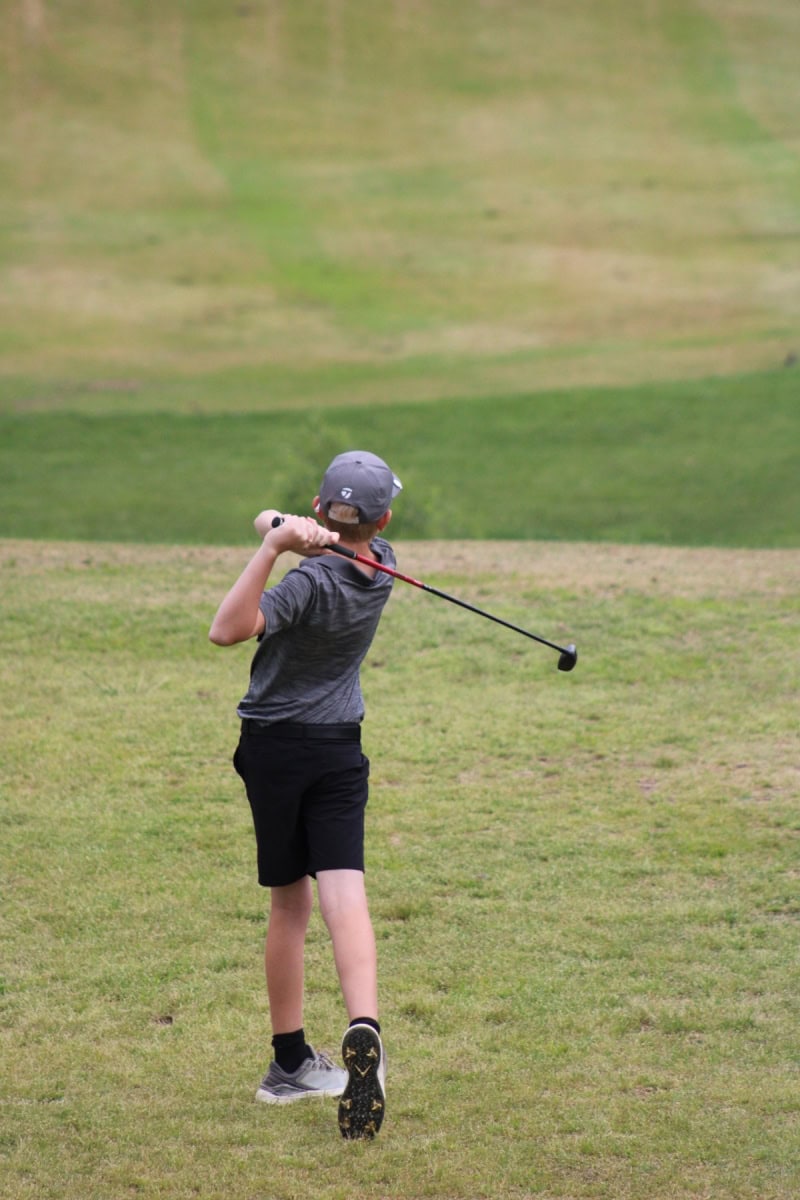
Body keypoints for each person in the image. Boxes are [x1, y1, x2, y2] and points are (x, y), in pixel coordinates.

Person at [208, 450, 402, 1141]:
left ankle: (289, 1062)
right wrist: (287, 528)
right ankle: (365, 1029)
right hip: (339, 749)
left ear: (320, 509)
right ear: (382, 521)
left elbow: (227, 629)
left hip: (275, 750)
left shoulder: (306, 583)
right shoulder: (384, 564)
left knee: (290, 904)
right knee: (345, 894)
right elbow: (275, 517)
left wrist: (273, 548)